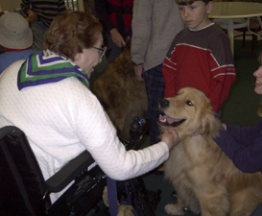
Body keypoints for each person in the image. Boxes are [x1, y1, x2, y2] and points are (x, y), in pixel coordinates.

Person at [0, 11, 179, 203]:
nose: (101, 59)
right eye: (100, 50)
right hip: (50, 192)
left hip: (8, 185)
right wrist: (165, 145)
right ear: (80, 50)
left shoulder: (12, 70)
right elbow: (122, 167)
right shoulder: (79, 98)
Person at [214, 43, 262, 216]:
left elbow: (247, 161)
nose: (256, 73)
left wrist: (214, 131)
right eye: (260, 65)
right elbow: (256, 135)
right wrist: (222, 127)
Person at [162, 0, 236, 113]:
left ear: (208, 7)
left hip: (204, 111)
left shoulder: (218, 38)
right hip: (181, 107)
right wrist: (172, 100)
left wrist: (208, 110)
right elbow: (169, 69)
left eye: (192, 7)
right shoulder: (180, 37)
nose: (185, 14)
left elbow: (225, 78)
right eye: (181, 8)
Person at [131, 0, 184, 145]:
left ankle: (159, 163)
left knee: (159, 117)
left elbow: (142, 24)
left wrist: (138, 59)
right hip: (186, 53)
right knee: (181, 113)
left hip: (158, 58)